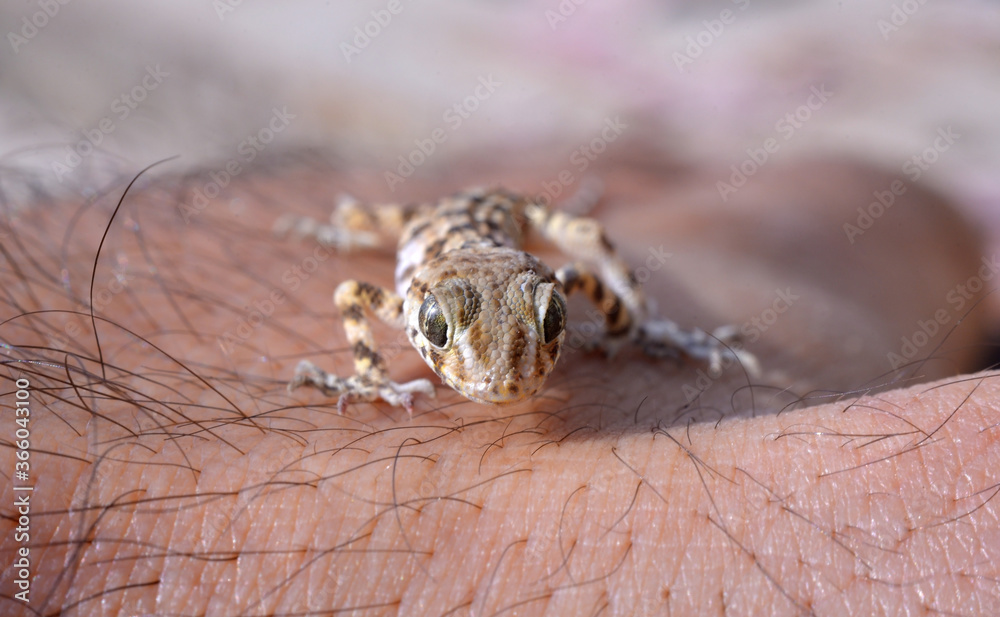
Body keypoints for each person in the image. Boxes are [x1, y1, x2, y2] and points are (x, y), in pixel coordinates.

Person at [2, 157, 997, 616]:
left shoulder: (542, 275)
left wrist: (633, 325)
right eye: (446, 339)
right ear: (424, 312)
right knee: (358, 227)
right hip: (447, 217)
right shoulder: (408, 284)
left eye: (539, 335)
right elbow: (357, 290)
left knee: (598, 243)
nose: (500, 374)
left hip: (502, 217)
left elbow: (563, 277)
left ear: (545, 307)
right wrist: (364, 371)